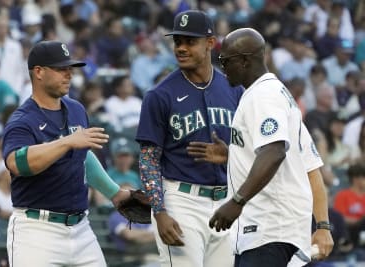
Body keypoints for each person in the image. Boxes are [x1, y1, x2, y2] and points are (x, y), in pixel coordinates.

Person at [187, 28, 334, 266]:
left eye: (225, 61)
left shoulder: (263, 95)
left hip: (268, 229)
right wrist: (234, 155)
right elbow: (309, 166)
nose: (221, 67)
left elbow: (274, 152)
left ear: (245, 60)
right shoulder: (280, 95)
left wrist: (236, 202)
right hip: (279, 230)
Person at [2, 40, 132, 267]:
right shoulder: (23, 120)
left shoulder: (76, 109)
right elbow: (16, 163)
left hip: (81, 228)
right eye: (61, 69)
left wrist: (114, 193)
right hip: (36, 231)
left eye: (70, 68)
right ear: (39, 72)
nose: (69, 74)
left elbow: (82, 156)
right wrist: (67, 142)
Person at [135, 10, 244, 267]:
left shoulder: (234, 89)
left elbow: (250, 151)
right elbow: (149, 160)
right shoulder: (159, 95)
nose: (181, 48)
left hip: (226, 202)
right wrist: (159, 212)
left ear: (210, 43)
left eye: (189, 42)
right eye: (177, 42)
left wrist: (229, 155)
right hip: (182, 201)